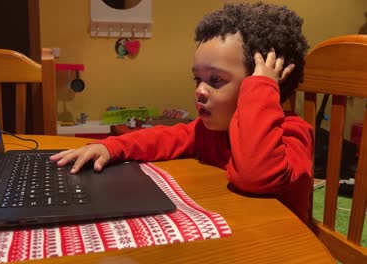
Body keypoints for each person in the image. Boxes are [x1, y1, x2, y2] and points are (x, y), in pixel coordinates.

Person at [50, 2, 313, 222]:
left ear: (264, 88)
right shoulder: (210, 132)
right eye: (197, 79)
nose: (199, 91)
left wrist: (262, 87)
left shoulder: (294, 134)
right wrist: (112, 148)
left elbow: (256, 175)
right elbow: (163, 138)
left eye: (216, 80)